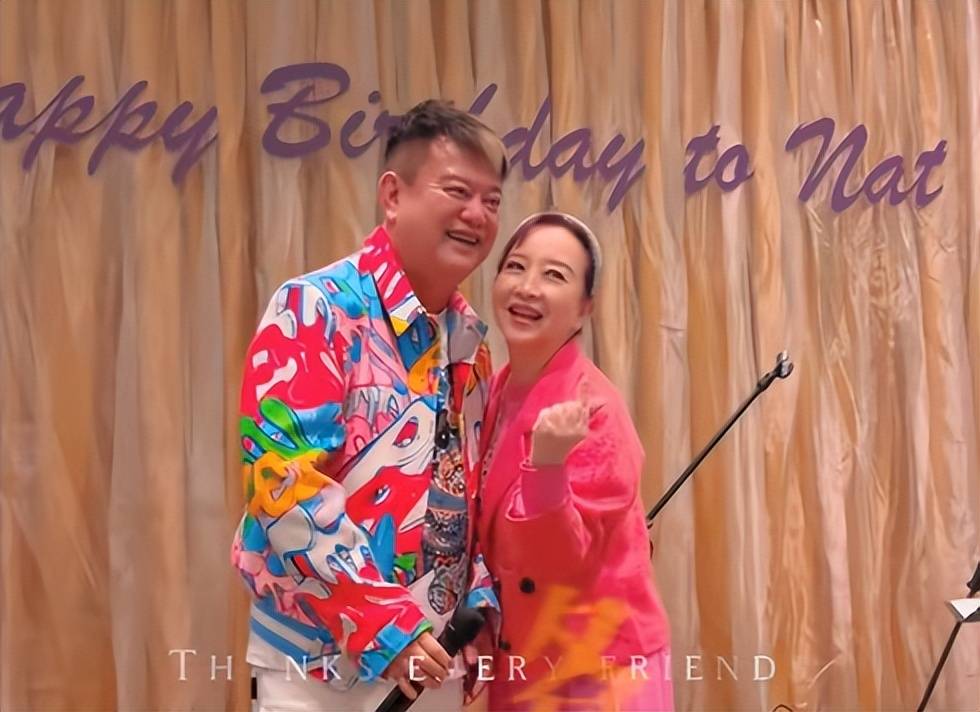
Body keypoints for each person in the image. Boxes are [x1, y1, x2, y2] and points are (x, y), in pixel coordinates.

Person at [231, 99, 508, 711]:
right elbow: (284, 487)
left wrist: (477, 614)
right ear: (393, 195)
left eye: (492, 201)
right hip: (317, 666)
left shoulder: (471, 343)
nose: (477, 214)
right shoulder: (315, 309)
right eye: (457, 191)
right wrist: (389, 629)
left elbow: (470, 500)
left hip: (433, 662)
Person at [475, 212, 673, 711]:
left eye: (554, 275)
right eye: (516, 267)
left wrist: (547, 466)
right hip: (524, 658)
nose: (527, 287)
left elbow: (560, 562)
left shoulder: (594, 410)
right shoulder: (495, 389)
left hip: (600, 673)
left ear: (585, 309)